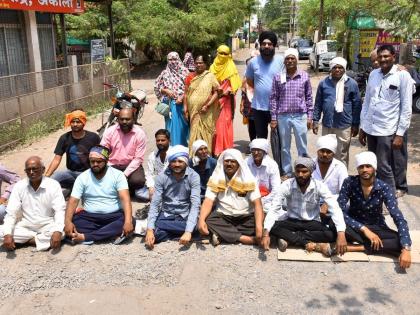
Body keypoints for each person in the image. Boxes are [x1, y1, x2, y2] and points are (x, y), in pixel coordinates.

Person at [338, 151, 411, 269]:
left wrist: (406, 248)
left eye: (368, 166)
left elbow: (397, 216)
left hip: (376, 226)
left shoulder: (384, 187)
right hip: (354, 226)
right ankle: (370, 244)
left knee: (399, 241)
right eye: (361, 167)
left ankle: (357, 247)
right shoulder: (349, 182)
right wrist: (364, 230)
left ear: (375, 168)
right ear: (357, 169)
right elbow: (338, 210)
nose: (365, 170)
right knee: (333, 224)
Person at [262, 157, 347, 257]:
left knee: (332, 234)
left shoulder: (319, 186)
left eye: (304, 171)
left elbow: (334, 208)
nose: (300, 175)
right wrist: (265, 234)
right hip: (291, 221)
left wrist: (341, 233)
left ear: (311, 172)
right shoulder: (287, 185)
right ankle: (313, 244)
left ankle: (289, 238)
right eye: (297, 171)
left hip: (312, 222)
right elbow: (274, 208)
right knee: (271, 227)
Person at [359, 44, 413, 197]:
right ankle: (377, 194)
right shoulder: (374, 74)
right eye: (380, 56)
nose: (383, 59)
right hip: (371, 128)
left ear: (393, 57)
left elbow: (406, 107)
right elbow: (367, 102)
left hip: (387, 129)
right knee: (373, 165)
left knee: (384, 166)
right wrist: (363, 127)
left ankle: (389, 200)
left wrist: (400, 134)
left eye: (386, 56)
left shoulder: (403, 76)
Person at [64, 146, 134, 244]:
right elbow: (73, 201)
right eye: (92, 161)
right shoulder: (82, 177)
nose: (95, 164)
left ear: (106, 160)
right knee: (72, 222)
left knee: (129, 221)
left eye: (99, 161)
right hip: (89, 217)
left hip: (113, 216)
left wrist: (128, 222)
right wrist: (67, 222)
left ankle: (86, 237)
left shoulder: (118, 175)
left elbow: (125, 198)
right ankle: (108, 234)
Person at [197, 149, 264, 246]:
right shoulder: (215, 178)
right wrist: (201, 220)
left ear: (239, 163)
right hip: (223, 216)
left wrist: (258, 227)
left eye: (233, 161)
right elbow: (208, 201)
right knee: (208, 220)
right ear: (222, 162)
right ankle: (243, 238)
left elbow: (257, 204)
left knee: (263, 220)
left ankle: (223, 235)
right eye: (226, 161)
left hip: (245, 217)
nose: (229, 164)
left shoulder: (249, 179)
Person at [0, 156, 65, 251]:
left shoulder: (53, 185)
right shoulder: (19, 186)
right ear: (25, 171)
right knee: (3, 232)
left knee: (62, 232)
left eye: (34, 169)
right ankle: (37, 241)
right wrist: (8, 234)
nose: (31, 172)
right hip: (26, 225)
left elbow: (59, 210)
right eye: (28, 169)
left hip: (47, 224)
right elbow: (11, 213)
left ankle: (24, 241)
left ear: (43, 170)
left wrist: (57, 231)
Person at [145, 145, 201, 249]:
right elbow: (155, 203)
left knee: (197, 227)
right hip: (167, 214)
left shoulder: (194, 176)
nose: (176, 164)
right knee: (152, 231)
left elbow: (195, 205)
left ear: (186, 162)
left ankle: (176, 233)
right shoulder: (162, 176)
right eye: (173, 161)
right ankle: (182, 234)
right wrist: (149, 230)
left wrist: (188, 231)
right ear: (169, 162)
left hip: (185, 215)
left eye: (180, 161)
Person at [269, 48, 313, 179]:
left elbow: (309, 97)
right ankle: (287, 172)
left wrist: (310, 116)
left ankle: (304, 170)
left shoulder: (304, 76)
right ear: (284, 61)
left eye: (292, 58)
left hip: (300, 116)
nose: (290, 61)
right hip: (283, 116)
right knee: (284, 147)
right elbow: (273, 98)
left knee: (302, 147)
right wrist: (273, 118)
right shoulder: (278, 77)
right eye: (287, 58)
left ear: (297, 60)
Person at [313, 57, 362, 167]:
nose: (337, 70)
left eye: (340, 67)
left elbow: (357, 105)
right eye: (335, 67)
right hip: (327, 124)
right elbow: (318, 103)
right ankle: (327, 176)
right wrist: (315, 120)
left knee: (341, 154)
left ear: (344, 69)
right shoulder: (323, 83)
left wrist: (355, 124)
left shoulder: (352, 84)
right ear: (331, 69)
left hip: (344, 125)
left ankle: (342, 179)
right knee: (326, 152)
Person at [45, 109, 100, 195]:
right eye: (72, 122)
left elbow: (101, 157)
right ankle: (74, 187)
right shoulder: (64, 138)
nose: (75, 124)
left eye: (78, 122)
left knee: (91, 190)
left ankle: (77, 189)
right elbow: (56, 159)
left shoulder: (93, 137)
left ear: (83, 122)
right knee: (53, 179)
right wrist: (47, 176)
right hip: (70, 172)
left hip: (88, 173)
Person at [246, 31, 284, 139]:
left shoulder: (281, 61)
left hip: (277, 107)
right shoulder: (253, 62)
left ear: (274, 46)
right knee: (261, 139)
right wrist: (261, 89)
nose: (266, 46)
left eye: (269, 44)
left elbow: (284, 82)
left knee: (278, 139)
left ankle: (278, 157)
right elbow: (249, 81)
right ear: (260, 45)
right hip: (259, 107)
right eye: (264, 44)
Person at [100, 108, 147, 193]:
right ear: (118, 119)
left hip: (131, 165)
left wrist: (124, 174)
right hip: (112, 165)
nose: (124, 121)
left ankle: (122, 190)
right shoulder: (110, 131)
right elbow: (103, 151)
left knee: (138, 181)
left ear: (133, 119)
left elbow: (138, 159)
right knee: (101, 178)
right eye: (122, 119)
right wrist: (105, 166)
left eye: (127, 119)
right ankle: (125, 190)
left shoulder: (140, 133)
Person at [184, 55, 220, 156]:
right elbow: (186, 94)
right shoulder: (190, 76)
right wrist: (185, 109)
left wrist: (207, 105)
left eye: (201, 63)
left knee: (206, 133)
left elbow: (217, 92)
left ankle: (206, 156)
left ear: (205, 64)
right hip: (193, 111)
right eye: (197, 63)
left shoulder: (210, 76)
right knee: (193, 133)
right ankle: (193, 155)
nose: (198, 65)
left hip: (206, 111)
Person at [210, 45, 242, 156]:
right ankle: (215, 149)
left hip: (227, 101)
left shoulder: (231, 67)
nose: (223, 56)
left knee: (225, 124)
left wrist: (227, 91)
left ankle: (225, 149)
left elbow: (235, 85)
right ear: (217, 53)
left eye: (225, 54)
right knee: (215, 125)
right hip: (214, 101)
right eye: (221, 53)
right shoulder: (212, 67)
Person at [154, 52, 190, 146]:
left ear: (178, 59)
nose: (172, 62)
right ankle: (171, 150)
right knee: (171, 129)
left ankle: (183, 149)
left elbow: (191, 88)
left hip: (182, 104)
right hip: (170, 105)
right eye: (170, 60)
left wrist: (182, 97)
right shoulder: (165, 73)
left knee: (183, 128)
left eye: (175, 59)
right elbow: (157, 87)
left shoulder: (185, 72)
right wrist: (166, 90)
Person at [312, 134, 348, 221]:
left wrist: (328, 203)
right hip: (312, 202)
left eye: (328, 152)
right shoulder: (310, 164)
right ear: (317, 151)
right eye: (322, 151)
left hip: (334, 203)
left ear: (334, 153)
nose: (324, 154)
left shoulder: (340, 167)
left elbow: (344, 192)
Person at [245, 138, 281, 214]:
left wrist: (262, 201)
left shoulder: (272, 165)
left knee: (272, 210)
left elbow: (276, 189)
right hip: (248, 198)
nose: (256, 153)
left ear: (264, 152)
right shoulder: (246, 162)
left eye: (259, 150)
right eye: (253, 150)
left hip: (267, 199)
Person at [145, 129, 171, 200]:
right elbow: (149, 174)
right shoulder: (152, 155)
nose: (160, 142)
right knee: (139, 192)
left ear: (169, 141)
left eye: (163, 140)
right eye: (158, 140)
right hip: (156, 185)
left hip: (171, 186)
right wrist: (151, 187)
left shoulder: (173, 155)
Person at [240, 57, 256, 142]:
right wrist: (242, 104)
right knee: (251, 125)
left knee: (260, 125)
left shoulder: (261, 76)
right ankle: (252, 144)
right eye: (248, 65)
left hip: (260, 105)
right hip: (248, 105)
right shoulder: (245, 78)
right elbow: (243, 93)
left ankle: (260, 146)